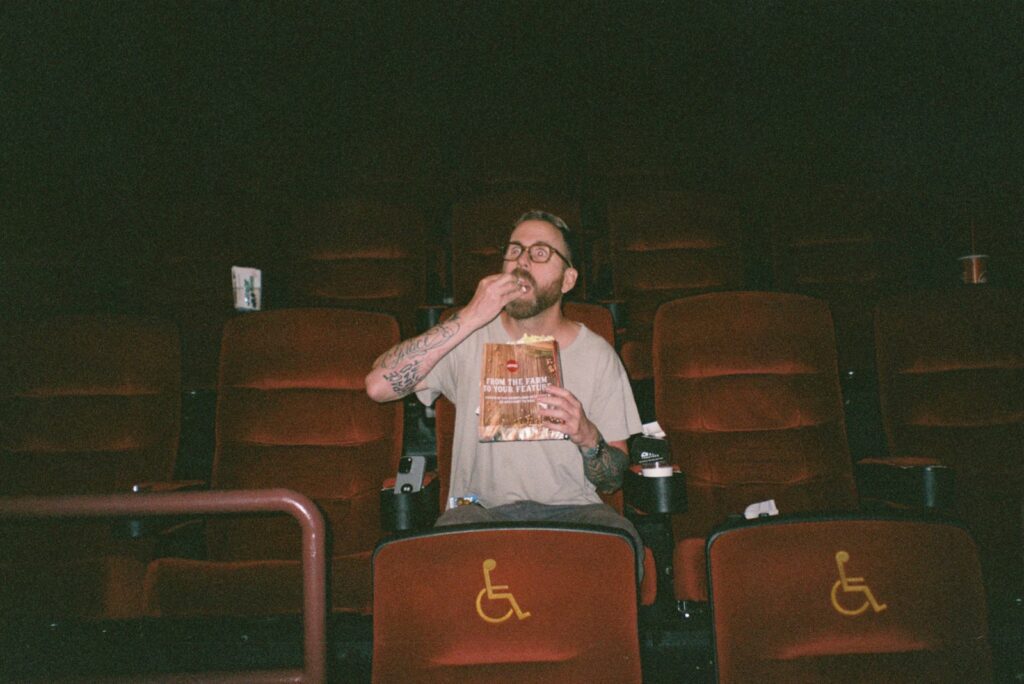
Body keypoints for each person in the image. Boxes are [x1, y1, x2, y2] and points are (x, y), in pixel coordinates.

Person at [365, 210, 644, 569]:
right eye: (514, 251)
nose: (522, 260)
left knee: (621, 548)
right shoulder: (467, 337)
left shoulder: (597, 355)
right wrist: (469, 316)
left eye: (541, 252)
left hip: (574, 515)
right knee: (439, 555)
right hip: (479, 514)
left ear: (568, 279)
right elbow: (377, 386)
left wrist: (589, 437)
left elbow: (612, 480)